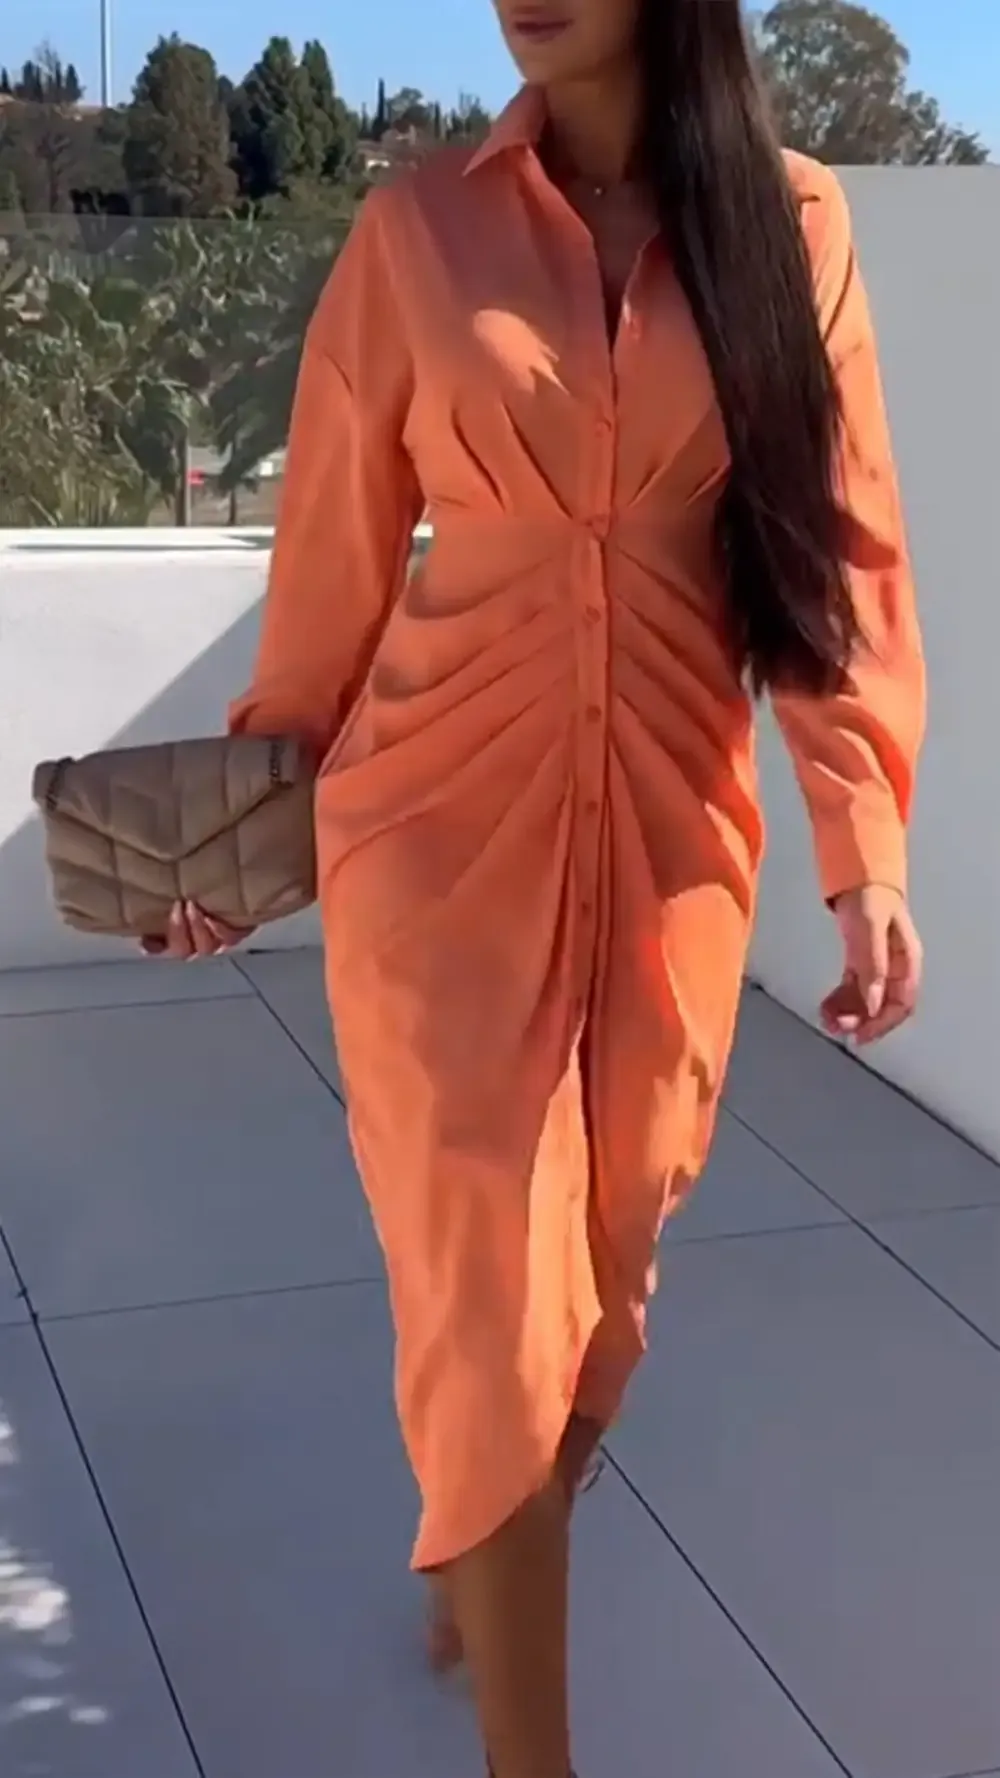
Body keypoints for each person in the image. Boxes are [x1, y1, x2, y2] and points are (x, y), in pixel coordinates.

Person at [145, 0, 926, 1771]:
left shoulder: (793, 223)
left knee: (604, 1288)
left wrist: (862, 844)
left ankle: (498, 1529)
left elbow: (836, 550)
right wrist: (243, 831)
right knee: (494, 1290)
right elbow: (330, 570)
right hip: (433, 827)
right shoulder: (415, 232)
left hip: (674, 829)